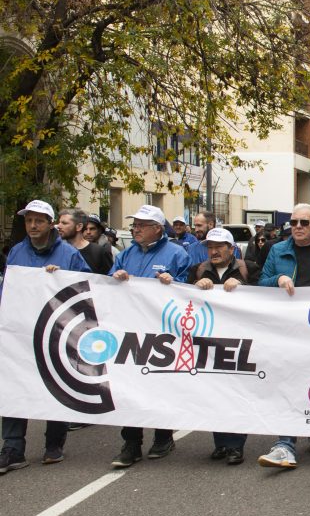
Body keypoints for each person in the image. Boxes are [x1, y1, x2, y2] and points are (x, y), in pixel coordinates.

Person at [0, 201, 91, 474]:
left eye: (38, 221)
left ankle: (54, 442)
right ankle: (13, 448)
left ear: (50, 224)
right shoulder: (17, 252)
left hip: (55, 332)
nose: (32, 226)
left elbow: (86, 285)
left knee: (53, 384)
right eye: (29, 221)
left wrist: (61, 278)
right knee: (15, 387)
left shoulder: (68, 254)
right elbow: (9, 288)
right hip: (20, 332)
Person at [109, 205, 192, 468]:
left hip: (163, 332)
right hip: (131, 330)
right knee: (130, 387)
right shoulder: (126, 254)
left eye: (142, 225)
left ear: (157, 228)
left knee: (160, 384)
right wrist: (116, 277)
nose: (136, 229)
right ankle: (131, 443)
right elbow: (107, 284)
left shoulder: (177, 253)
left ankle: (163, 436)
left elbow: (190, 290)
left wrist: (174, 281)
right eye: (135, 224)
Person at [257, 204, 310, 469]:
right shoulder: (277, 250)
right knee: (288, 379)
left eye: (304, 222)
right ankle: (285, 444)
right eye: (293, 222)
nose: (297, 227)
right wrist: (277, 278)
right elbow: (261, 283)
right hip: (287, 328)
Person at [187, 228, 261, 465]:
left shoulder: (247, 268)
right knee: (213, 393)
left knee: (236, 392)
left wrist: (242, 285)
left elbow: (265, 296)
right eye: (210, 247)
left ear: (232, 249)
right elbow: (182, 296)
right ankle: (220, 443)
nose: (214, 251)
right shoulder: (198, 270)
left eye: (219, 247)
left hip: (239, 340)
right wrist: (197, 285)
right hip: (208, 341)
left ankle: (236, 445)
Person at [186, 211, 240, 280]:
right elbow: (187, 278)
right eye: (210, 247)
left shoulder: (234, 249)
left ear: (211, 224)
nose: (196, 229)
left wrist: (239, 282)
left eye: (199, 225)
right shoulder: (191, 248)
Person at [57, 208, 113, 275]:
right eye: (59, 222)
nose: (59, 226)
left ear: (79, 227)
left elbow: (110, 280)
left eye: (64, 223)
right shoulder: (56, 250)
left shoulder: (99, 252)